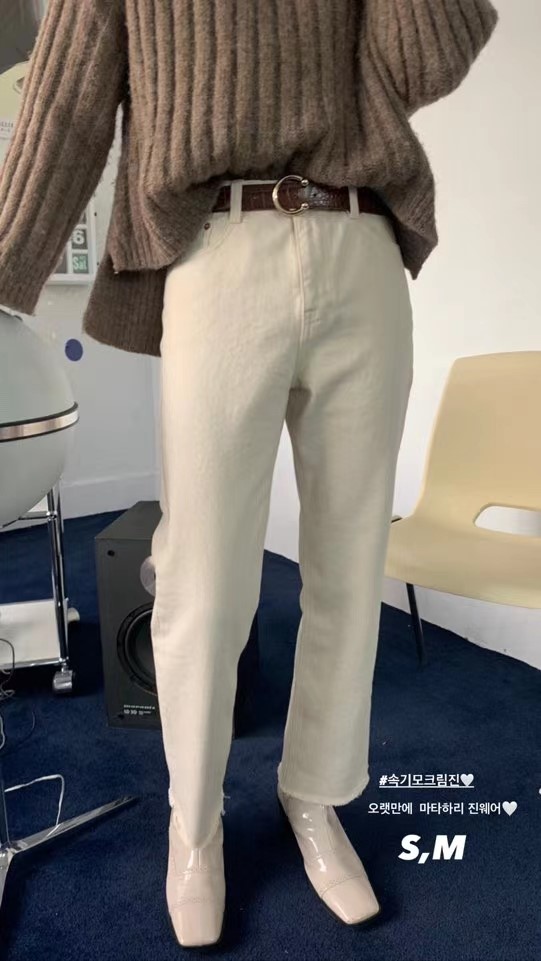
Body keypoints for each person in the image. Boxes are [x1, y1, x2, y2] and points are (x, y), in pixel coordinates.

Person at [0, 0, 499, 949]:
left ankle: (315, 796)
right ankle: (194, 827)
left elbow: (426, 61)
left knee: (348, 570)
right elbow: (65, 99)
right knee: (202, 578)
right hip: (219, 252)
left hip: (362, 248)